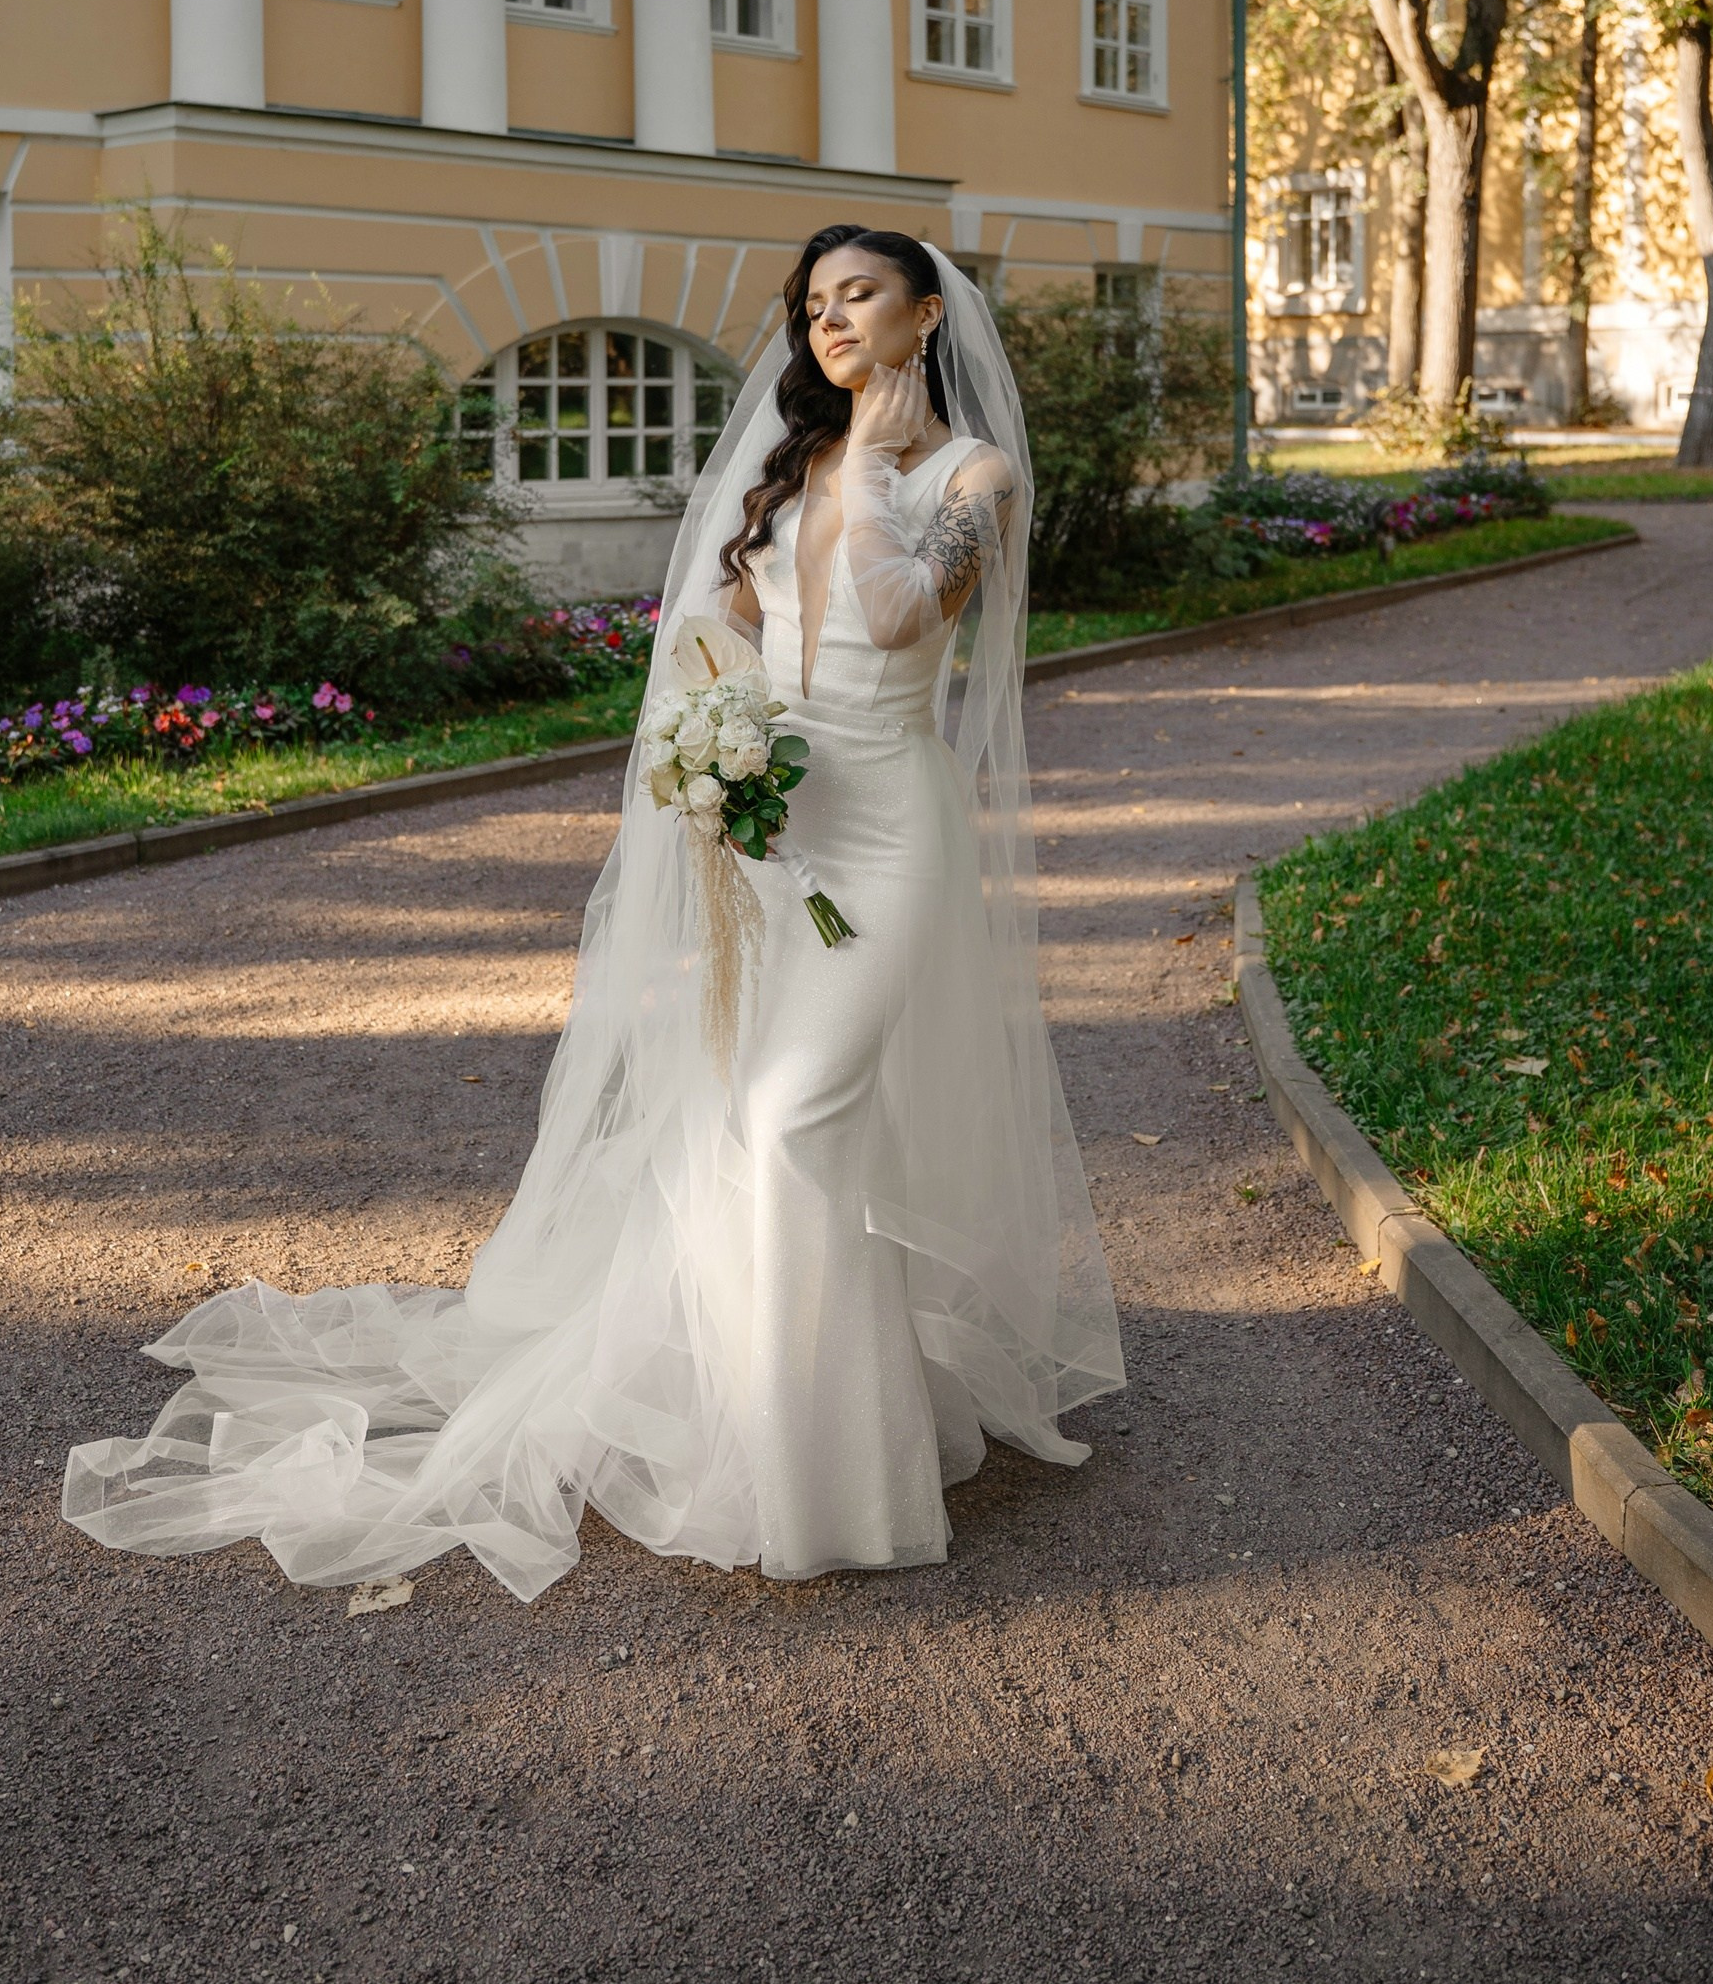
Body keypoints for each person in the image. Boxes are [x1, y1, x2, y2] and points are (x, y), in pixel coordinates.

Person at [63, 228, 1124, 1599]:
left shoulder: (972, 478)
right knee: (755, 1117)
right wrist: (719, 742)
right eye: (814, 305)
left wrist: (871, 448)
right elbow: (737, 624)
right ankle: (796, 1439)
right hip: (779, 810)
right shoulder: (792, 467)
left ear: (927, 316)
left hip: (893, 826)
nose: (833, 319)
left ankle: (834, 1469)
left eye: (861, 296)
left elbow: (900, 618)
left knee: (797, 1112)